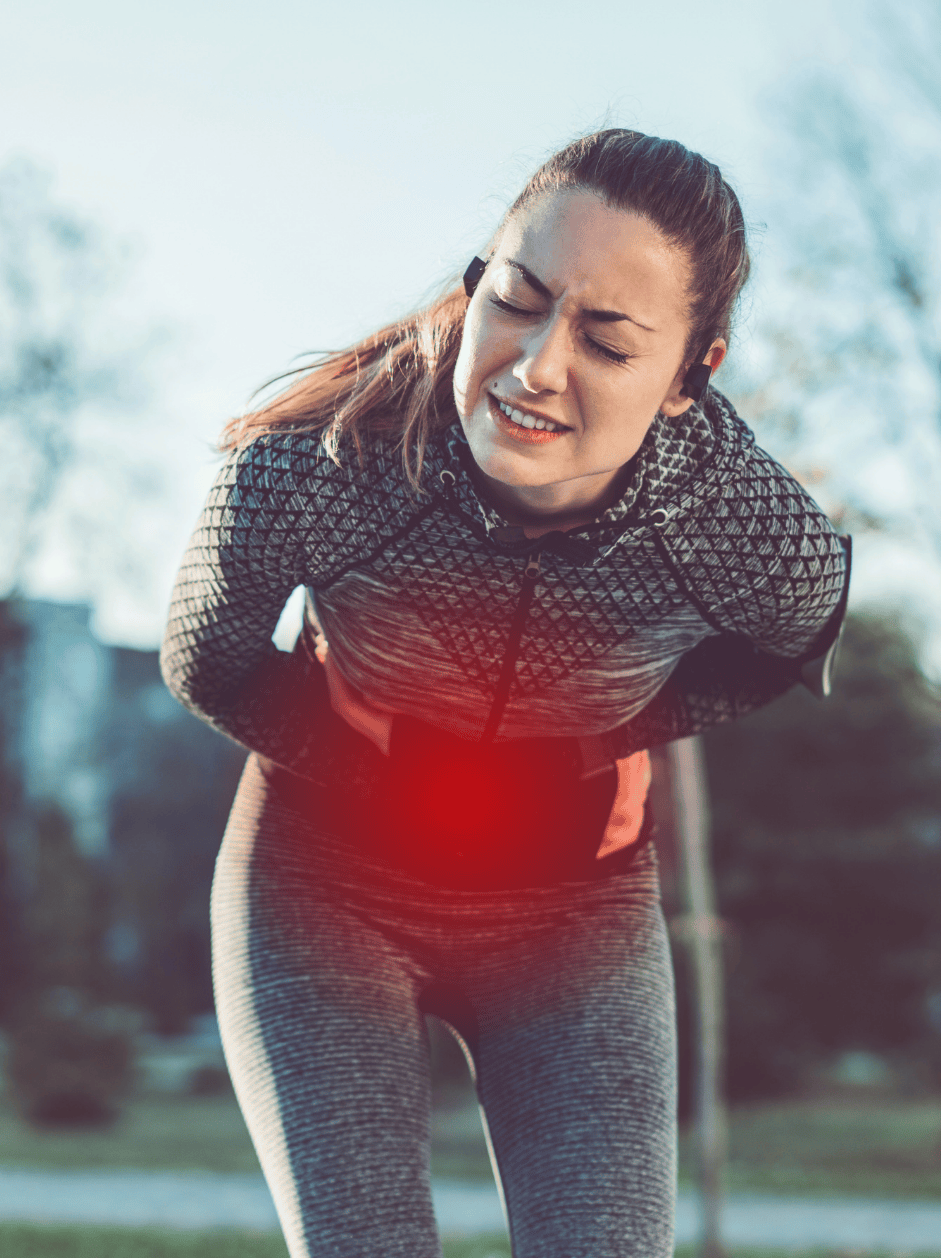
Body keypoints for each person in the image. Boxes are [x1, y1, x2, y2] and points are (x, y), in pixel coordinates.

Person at [161, 129, 850, 1258]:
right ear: (474, 287)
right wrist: (382, 770)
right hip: (321, 884)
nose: (535, 367)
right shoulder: (313, 466)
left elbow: (784, 648)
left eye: (607, 340)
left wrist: (615, 731)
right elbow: (207, 659)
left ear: (691, 374)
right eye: (518, 301)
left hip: (572, 915)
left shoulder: (745, 535)